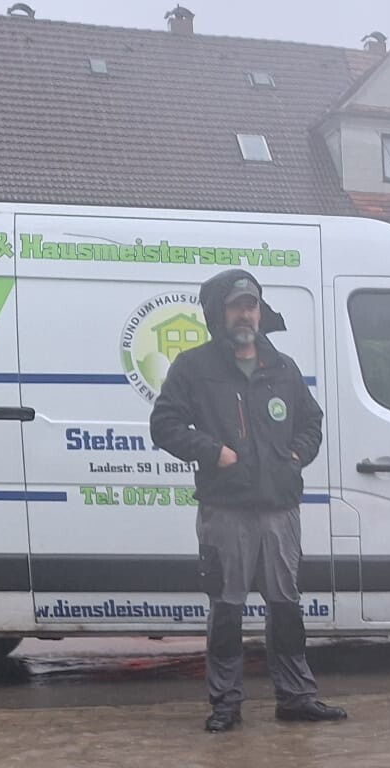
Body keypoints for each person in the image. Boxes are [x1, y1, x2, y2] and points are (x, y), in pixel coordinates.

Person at [151, 269, 346, 733]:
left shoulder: (283, 367)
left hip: (280, 509)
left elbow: (312, 422)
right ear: (219, 313)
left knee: (286, 606)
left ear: (261, 312)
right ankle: (226, 703)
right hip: (225, 511)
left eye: (252, 305)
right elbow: (164, 425)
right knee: (226, 609)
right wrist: (211, 451)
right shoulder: (194, 368)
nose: (245, 314)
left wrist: (295, 456)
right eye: (236, 306)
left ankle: (296, 696)